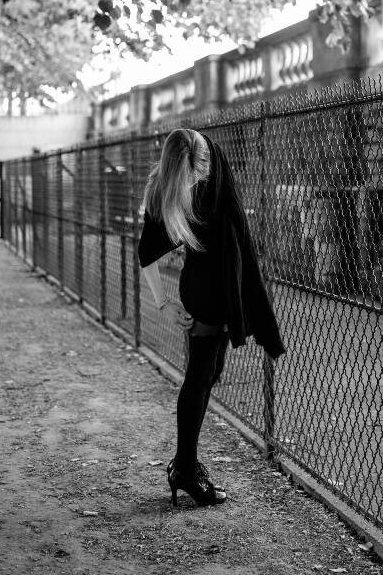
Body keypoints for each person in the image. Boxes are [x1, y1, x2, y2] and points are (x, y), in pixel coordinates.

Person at [137, 127, 286, 507]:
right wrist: (162, 304)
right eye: (192, 173)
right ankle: (185, 467)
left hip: (223, 288)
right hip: (202, 292)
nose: (200, 177)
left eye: (201, 169)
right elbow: (146, 254)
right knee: (201, 375)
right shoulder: (165, 190)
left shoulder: (214, 162)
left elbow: (236, 225)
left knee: (211, 371)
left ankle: (185, 465)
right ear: (177, 169)